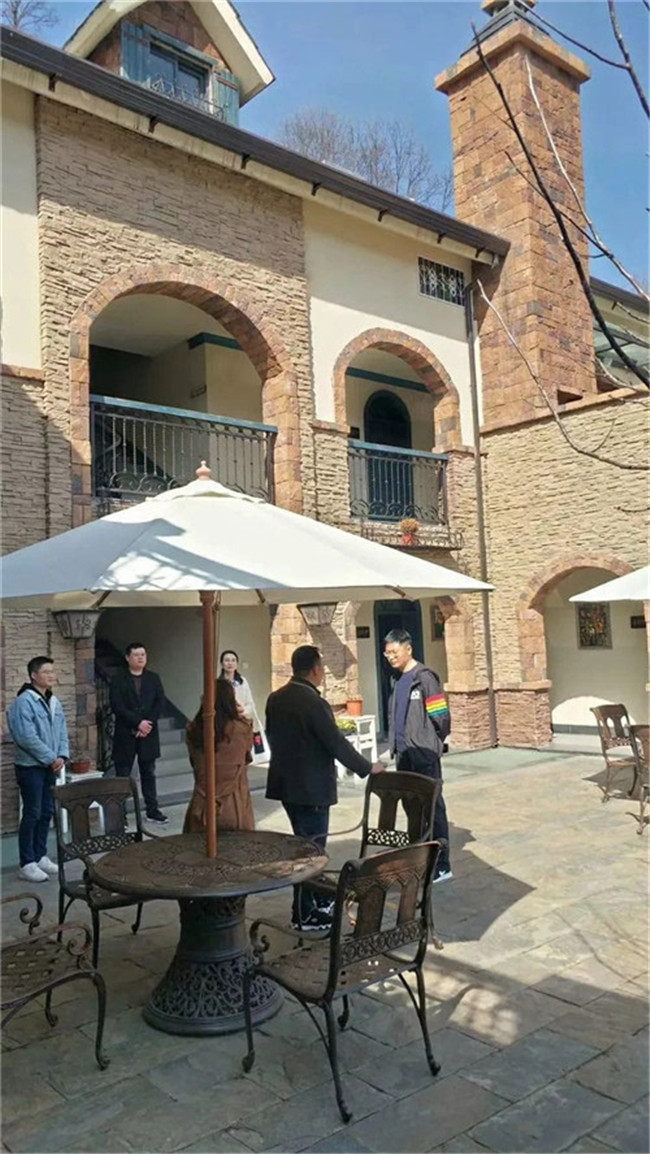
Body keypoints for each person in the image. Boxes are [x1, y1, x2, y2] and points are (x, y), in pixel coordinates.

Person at [266, 644, 385, 931]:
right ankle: (306, 913)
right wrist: (367, 767)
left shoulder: (275, 698)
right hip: (311, 789)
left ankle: (313, 901)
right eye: (321, 668)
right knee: (312, 853)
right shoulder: (313, 703)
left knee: (303, 847)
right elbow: (335, 743)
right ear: (315, 670)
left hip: (286, 785)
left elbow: (273, 735)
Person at [383, 628, 452, 882]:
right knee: (412, 808)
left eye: (394, 652)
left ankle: (441, 864)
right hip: (403, 756)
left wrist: (430, 742)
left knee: (433, 808)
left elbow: (440, 716)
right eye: (387, 653)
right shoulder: (396, 679)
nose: (391, 657)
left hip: (423, 755)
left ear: (408, 648)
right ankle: (418, 859)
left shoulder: (424, 678)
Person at [6, 655, 69, 882]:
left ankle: (40, 855)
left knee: (46, 811)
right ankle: (27, 862)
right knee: (32, 812)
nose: (52, 675)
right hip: (30, 767)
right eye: (46, 672)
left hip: (50, 766)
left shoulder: (54, 701)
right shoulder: (24, 702)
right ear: (34, 675)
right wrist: (51, 757)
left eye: (53, 671)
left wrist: (62, 755)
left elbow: (62, 731)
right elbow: (26, 737)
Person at [184, 679, 255, 833]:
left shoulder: (194, 730)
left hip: (202, 803)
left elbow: (194, 762)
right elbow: (246, 757)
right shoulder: (241, 729)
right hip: (235, 803)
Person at [109, 642, 168, 825]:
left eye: (143, 654)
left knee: (149, 773)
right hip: (126, 733)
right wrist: (137, 723)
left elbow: (159, 702)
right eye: (136, 655)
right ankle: (121, 816)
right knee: (123, 775)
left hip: (148, 734)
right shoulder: (118, 679)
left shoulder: (153, 678)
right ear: (128, 658)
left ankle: (152, 810)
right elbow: (117, 705)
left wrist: (147, 724)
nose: (140, 658)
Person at [219, 649, 268, 762]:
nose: (230, 663)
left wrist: (243, 710)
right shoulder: (219, 683)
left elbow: (250, 704)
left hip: (242, 722)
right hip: (226, 724)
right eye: (227, 660)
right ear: (222, 663)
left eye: (233, 660)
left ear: (237, 664)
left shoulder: (242, 682)